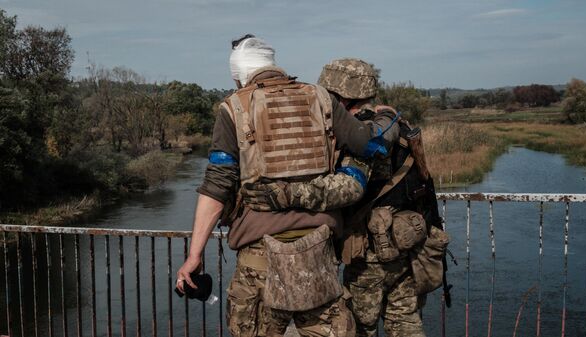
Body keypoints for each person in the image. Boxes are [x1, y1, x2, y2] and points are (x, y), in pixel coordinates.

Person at [176, 36, 401, 337]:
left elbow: (217, 187)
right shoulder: (321, 97)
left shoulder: (233, 108)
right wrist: (387, 116)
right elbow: (370, 145)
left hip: (259, 258)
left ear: (239, 74)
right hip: (317, 253)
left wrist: (195, 255)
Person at [244, 59, 444, 337]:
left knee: (361, 327)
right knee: (406, 325)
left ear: (339, 96)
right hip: (409, 246)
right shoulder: (392, 124)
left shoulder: (362, 131)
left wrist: (287, 195)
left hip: (370, 254)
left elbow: (349, 187)